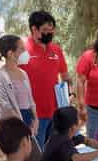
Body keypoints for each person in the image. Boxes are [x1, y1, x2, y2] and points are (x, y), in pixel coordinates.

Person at [19, 11, 72, 149]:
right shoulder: (22, 50)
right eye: (45, 31)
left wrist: (71, 94)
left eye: (51, 31)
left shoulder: (56, 50)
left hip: (55, 113)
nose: (49, 34)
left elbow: (65, 77)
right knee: (34, 156)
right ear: (34, 29)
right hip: (32, 115)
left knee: (53, 153)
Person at [0, 34, 38, 135]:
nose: (25, 52)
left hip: (28, 120)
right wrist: (21, 124)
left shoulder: (23, 73)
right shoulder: (0, 76)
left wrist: (35, 119)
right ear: (10, 53)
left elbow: (30, 99)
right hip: (13, 123)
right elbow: (5, 105)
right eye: (22, 49)